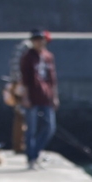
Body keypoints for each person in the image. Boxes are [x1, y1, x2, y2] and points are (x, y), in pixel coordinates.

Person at [18, 30, 58, 169]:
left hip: (46, 97)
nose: (38, 42)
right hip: (32, 98)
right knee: (31, 129)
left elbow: (52, 79)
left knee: (49, 128)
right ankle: (31, 158)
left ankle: (35, 153)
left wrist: (54, 97)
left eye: (40, 39)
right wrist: (25, 97)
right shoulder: (27, 57)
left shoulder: (48, 56)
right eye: (35, 39)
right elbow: (25, 80)